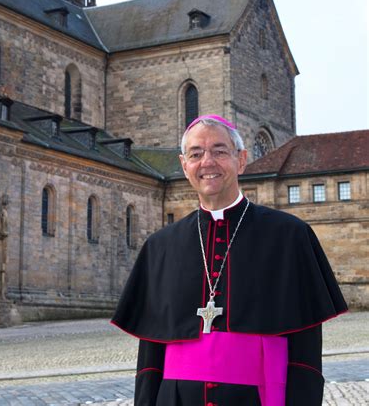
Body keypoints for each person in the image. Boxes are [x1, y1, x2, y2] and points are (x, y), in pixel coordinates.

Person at [112, 115, 347, 406]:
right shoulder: (160, 247)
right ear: (185, 166)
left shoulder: (289, 236)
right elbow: (150, 359)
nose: (207, 162)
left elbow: (305, 357)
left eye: (219, 151)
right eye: (196, 154)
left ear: (241, 160)